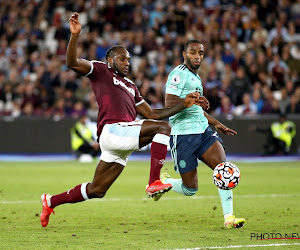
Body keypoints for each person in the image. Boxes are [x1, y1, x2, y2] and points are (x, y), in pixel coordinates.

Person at [40, 13, 207, 228]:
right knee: (164, 128)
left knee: (97, 190)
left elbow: (153, 114)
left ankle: (50, 201)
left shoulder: (131, 86)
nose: (127, 62)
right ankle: (154, 181)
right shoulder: (101, 70)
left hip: (120, 142)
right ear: (110, 60)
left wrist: (183, 104)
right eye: (122, 58)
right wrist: (75, 36)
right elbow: (72, 62)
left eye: (129, 59)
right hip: (113, 130)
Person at [158, 40, 245, 229]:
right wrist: (191, 101)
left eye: (201, 53)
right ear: (184, 54)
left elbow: (196, 110)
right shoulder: (178, 74)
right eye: (193, 52)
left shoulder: (196, 78)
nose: (197, 56)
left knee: (224, 169)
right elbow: (169, 104)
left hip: (203, 132)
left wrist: (216, 123)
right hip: (183, 136)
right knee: (190, 189)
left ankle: (228, 217)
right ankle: (164, 182)